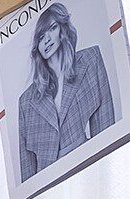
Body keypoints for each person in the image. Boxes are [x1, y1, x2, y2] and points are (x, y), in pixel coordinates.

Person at [18, 3, 115, 182]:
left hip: (89, 170)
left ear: (63, 28)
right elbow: (28, 175)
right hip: (49, 185)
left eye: (52, 28)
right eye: (41, 36)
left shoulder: (90, 60)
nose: (46, 40)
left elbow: (106, 128)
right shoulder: (26, 101)